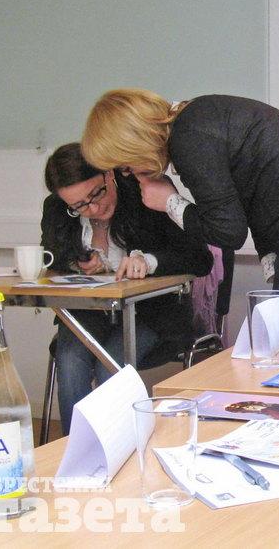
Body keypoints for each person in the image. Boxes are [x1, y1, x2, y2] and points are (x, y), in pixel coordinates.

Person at [80, 90, 279, 306]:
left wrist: (170, 202)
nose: (130, 173)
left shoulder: (190, 138)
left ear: (134, 144)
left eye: (125, 165)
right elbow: (257, 190)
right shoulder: (201, 117)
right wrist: (273, 261)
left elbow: (228, 232)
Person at [41, 143, 213, 435]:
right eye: (79, 206)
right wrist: (76, 261)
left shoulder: (145, 194)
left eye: (96, 194)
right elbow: (51, 254)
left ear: (108, 174)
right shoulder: (58, 208)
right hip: (89, 314)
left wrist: (149, 261)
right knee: (69, 359)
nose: (93, 208)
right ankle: (75, 451)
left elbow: (199, 258)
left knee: (109, 365)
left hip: (152, 315)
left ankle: (120, 448)